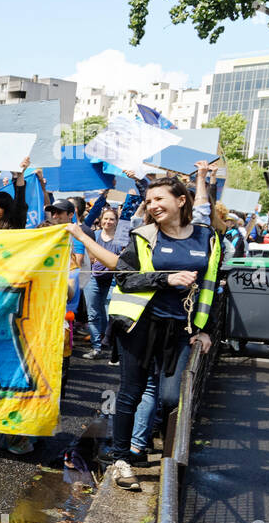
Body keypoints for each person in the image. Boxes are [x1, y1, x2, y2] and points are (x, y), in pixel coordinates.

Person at [100, 178, 219, 477]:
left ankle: (169, 457)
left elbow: (211, 285)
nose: (152, 206)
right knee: (131, 392)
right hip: (140, 325)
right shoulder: (143, 235)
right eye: (149, 201)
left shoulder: (208, 237)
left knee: (170, 397)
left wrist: (206, 330)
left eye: (159, 199)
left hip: (181, 328)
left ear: (181, 201)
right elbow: (125, 279)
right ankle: (121, 459)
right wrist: (166, 279)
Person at [69, 206, 122, 359]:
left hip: (112, 280)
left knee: (109, 313)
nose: (108, 222)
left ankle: (107, 341)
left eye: (112, 219)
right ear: (101, 220)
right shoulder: (95, 235)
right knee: (93, 314)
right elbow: (89, 256)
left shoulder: (120, 239)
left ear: (116, 222)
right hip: (93, 277)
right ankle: (96, 347)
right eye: (106, 218)